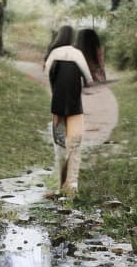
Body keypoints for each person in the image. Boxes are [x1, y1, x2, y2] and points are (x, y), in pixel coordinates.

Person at [43, 25, 93, 197]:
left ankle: (56, 185)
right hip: (75, 106)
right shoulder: (77, 53)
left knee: (59, 146)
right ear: (72, 38)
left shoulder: (53, 53)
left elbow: (46, 74)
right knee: (75, 146)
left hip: (57, 107)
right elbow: (89, 78)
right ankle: (71, 186)